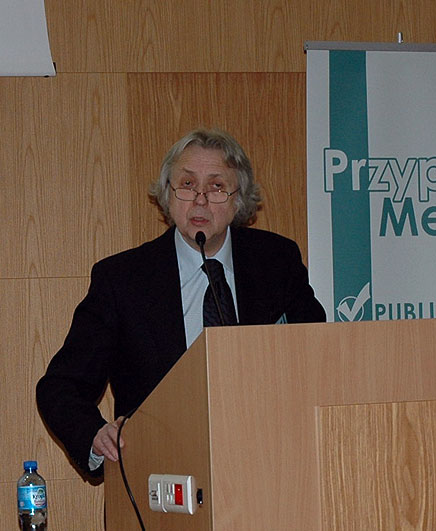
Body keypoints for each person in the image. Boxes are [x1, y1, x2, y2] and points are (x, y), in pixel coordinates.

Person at [36, 128, 326, 478]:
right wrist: (96, 436)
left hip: (269, 470)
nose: (200, 201)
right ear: (168, 194)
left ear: (238, 199)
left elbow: (319, 357)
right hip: (160, 475)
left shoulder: (276, 262)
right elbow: (61, 386)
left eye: (217, 187)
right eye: (187, 185)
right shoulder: (122, 279)